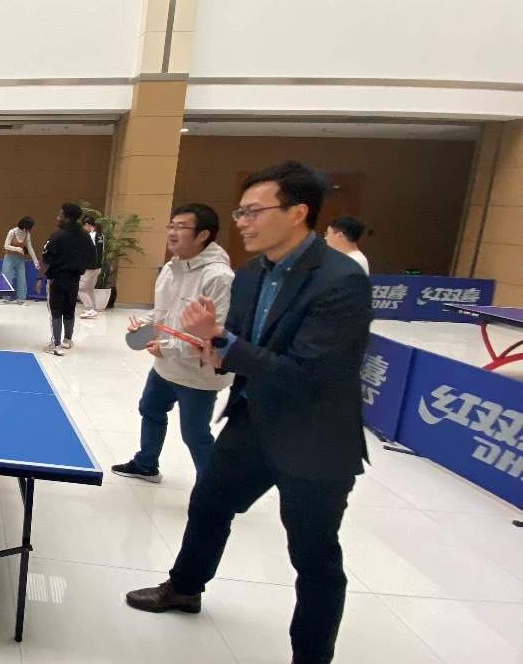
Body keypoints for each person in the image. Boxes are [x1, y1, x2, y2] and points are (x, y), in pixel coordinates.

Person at [125, 161, 373, 664]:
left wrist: (220, 341)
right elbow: (232, 347)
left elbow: (308, 373)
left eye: (254, 211)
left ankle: (311, 656)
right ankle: (185, 587)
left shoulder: (341, 280)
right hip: (253, 420)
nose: (242, 221)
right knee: (209, 504)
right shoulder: (251, 274)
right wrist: (207, 345)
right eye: (240, 212)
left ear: (298, 212)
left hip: (315, 438)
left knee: (314, 556)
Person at [111, 204, 234, 482]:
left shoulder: (219, 277)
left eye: (181, 227)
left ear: (203, 234)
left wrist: (166, 348)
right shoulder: (171, 267)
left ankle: (214, 490)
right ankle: (146, 464)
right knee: (150, 408)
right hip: (166, 366)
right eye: (171, 226)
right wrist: (144, 324)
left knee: (195, 434)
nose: (172, 232)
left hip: (199, 373)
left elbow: (215, 335)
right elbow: (162, 312)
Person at [37, 204, 92, 356]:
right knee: (69, 309)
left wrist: (39, 277)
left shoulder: (57, 236)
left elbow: (46, 260)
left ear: (66, 218)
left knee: (55, 310)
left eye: (60, 215)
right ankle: (67, 340)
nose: (57, 218)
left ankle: (56, 345)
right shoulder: (85, 236)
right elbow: (91, 257)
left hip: (57, 279)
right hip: (74, 279)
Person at [2, 217, 39, 304]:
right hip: (9, 257)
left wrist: (35, 261)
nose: (29, 229)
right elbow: (6, 246)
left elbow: (30, 248)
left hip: (20, 259)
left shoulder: (27, 234)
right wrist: (17, 249)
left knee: (22, 279)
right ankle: (6, 298)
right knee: (7, 278)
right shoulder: (12, 232)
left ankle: (21, 298)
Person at [78, 215, 105, 317]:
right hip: (98, 266)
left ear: (87, 224)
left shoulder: (91, 235)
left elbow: (87, 251)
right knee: (90, 288)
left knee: (80, 288)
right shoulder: (100, 235)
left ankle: (90, 308)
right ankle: (92, 307)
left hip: (89, 266)